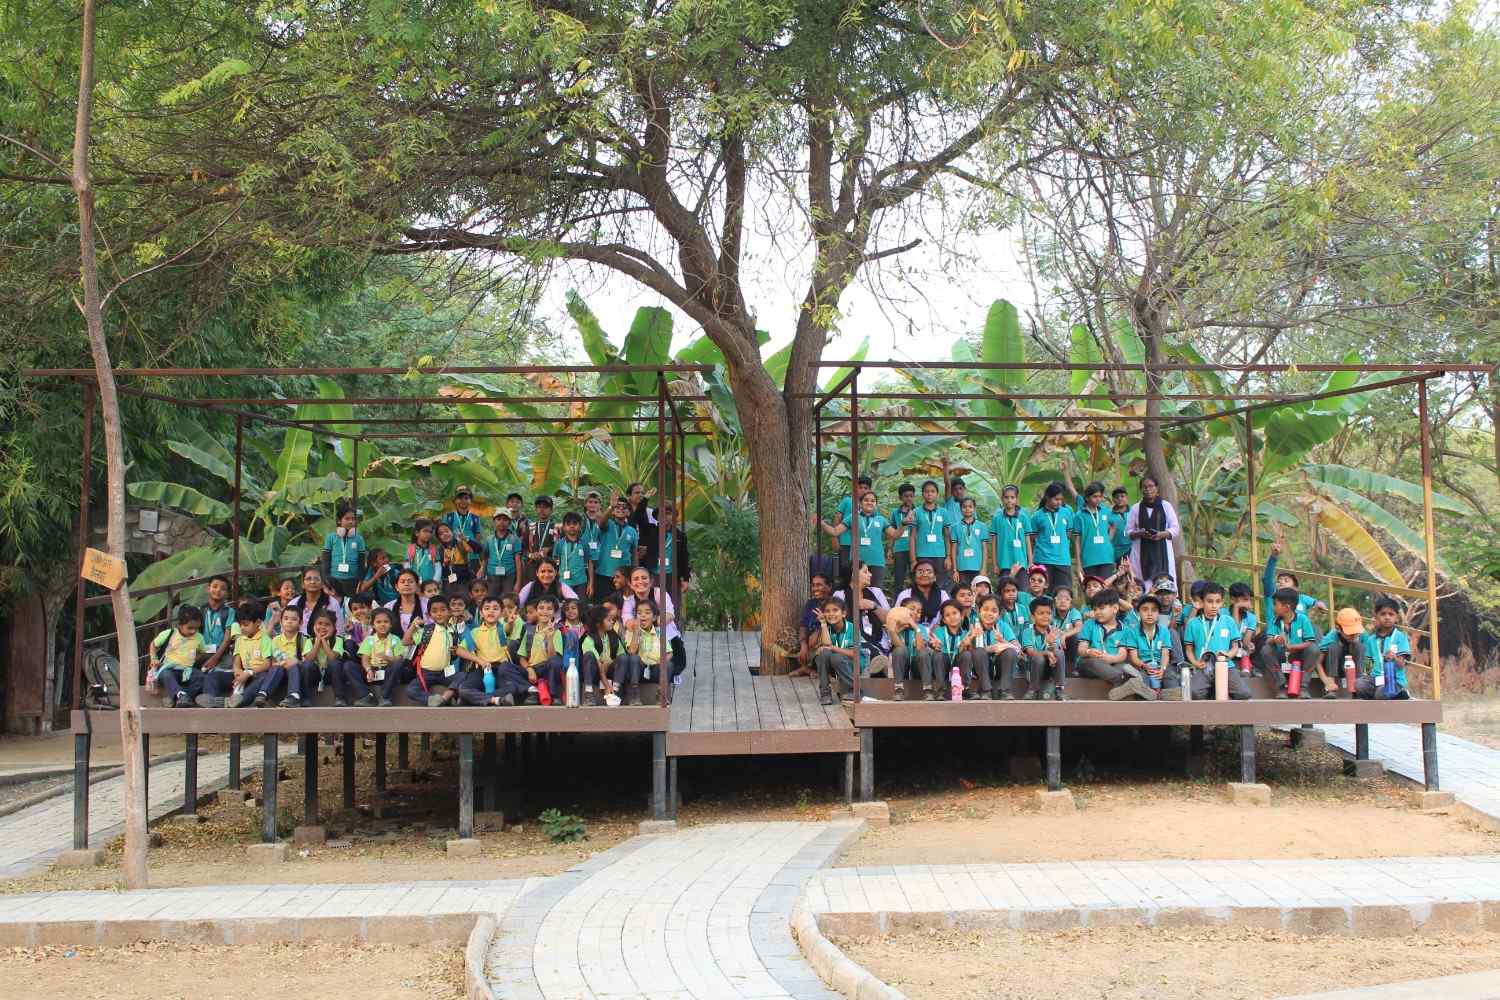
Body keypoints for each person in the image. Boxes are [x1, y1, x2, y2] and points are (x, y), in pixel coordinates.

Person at [1077, 587, 1154, 701]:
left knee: (1124, 666)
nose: (1097, 612)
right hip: (1090, 664)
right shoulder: (1090, 624)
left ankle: (1123, 688)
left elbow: (1122, 655)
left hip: (1113, 664)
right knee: (1094, 663)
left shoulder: (1125, 629)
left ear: (1115, 608)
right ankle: (1126, 681)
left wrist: (1111, 658)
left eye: (1101, 608)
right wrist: (1089, 651)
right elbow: (1081, 649)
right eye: (1095, 609)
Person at [1182, 582, 1251, 700]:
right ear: (1202, 602)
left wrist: (1228, 655)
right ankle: (1213, 690)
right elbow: (1189, 649)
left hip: (1226, 666)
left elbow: (1235, 647)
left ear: (1222, 603)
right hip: (1203, 667)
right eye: (1209, 601)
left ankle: (1218, 688)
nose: (1214, 606)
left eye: (1218, 601)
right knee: (1194, 693)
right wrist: (1195, 662)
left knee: (1244, 693)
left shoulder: (1228, 621)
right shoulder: (1193, 623)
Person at [384, 599, 457, 707]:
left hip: (445, 673)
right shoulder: (426, 630)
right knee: (411, 690)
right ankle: (434, 700)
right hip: (426, 673)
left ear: (449, 612)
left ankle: (445, 696)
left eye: (443, 610)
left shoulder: (454, 629)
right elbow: (405, 641)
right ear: (429, 615)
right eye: (435, 611)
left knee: (463, 677)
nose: (439, 613)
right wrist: (413, 626)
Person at [621, 566, 687, 682]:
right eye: (636, 579)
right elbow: (628, 621)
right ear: (630, 584)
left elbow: (670, 614)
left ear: (651, 581)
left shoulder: (659, 594)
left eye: (644, 578)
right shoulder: (629, 601)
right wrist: (644, 622)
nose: (640, 581)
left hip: (664, 636)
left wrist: (650, 621)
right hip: (641, 638)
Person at [224, 602, 288, 708]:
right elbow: (236, 661)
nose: (242, 628)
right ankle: (211, 697)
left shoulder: (265, 639)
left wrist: (249, 673)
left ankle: (240, 701)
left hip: (257, 674)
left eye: (245, 624)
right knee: (214, 676)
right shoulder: (240, 639)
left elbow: (267, 664)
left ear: (258, 622)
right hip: (244, 674)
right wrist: (237, 671)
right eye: (240, 625)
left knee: (263, 678)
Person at [1260, 587, 1321, 699]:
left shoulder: (1303, 619)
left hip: (1298, 657)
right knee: (1266, 649)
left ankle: (1303, 687)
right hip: (1282, 656)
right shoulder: (1275, 620)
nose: (1274, 607)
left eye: (1276, 604)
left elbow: (1309, 641)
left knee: (1314, 649)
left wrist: (1293, 647)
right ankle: (1281, 686)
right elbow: (1269, 638)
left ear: (1287, 607)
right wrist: (1276, 639)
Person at [834, 564, 892, 676]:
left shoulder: (876, 592)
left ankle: (877, 664)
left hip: (878, 640)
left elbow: (889, 620)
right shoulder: (840, 594)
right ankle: (878, 664)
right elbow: (836, 621)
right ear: (853, 575)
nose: (870, 574)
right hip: (852, 641)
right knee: (862, 648)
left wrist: (873, 606)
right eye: (865, 572)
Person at [148, 604, 208, 707]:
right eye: (190, 628)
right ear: (180, 624)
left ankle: (179, 697)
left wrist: (197, 658)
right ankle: (182, 696)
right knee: (167, 675)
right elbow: (153, 644)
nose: (193, 631)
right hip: (169, 669)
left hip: (187, 670)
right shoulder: (170, 633)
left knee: (201, 678)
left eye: (196, 628)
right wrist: (154, 658)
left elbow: (203, 652)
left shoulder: (199, 638)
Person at [1126, 475, 1181, 587]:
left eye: (1151, 486)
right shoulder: (1135, 508)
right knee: (1142, 586)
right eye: (1145, 487)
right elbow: (1127, 532)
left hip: (1163, 552)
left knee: (1164, 584)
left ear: (1157, 488)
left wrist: (1162, 534)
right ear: (1141, 490)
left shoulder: (1166, 506)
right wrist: (1139, 533)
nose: (1148, 490)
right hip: (1141, 553)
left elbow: (1175, 529)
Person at [821, 475, 873, 590]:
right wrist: (835, 539)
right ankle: (843, 594)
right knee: (845, 570)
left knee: (861, 570)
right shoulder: (847, 501)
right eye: (860, 487)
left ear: (870, 490)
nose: (863, 490)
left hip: (862, 545)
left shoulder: (870, 505)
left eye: (866, 488)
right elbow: (837, 518)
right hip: (846, 543)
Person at [580, 603, 637, 706]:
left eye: (612, 619)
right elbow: (601, 669)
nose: (612, 622)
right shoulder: (588, 639)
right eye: (608, 620)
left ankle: (615, 690)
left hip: (610, 671)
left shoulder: (613, 636)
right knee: (588, 655)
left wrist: (609, 662)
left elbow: (621, 657)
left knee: (624, 658)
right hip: (596, 672)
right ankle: (588, 693)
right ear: (598, 623)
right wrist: (607, 686)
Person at [1358, 597, 1412, 699]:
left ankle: (1399, 692)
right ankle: (1392, 695)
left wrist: (1394, 658)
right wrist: (1366, 677)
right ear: (1376, 616)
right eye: (1383, 614)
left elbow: (1401, 665)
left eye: (1391, 614)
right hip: (1376, 680)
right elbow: (1368, 667)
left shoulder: (1400, 637)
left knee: (1382, 692)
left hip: (1394, 680)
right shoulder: (1371, 640)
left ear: (1396, 618)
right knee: (1359, 685)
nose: (1387, 617)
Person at [1261, 539, 1326, 623]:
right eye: (1279, 580)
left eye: (1286, 580)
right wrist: (1274, 556)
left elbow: (1316, 602)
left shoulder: (1302, 598)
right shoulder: (1272, 595)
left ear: (1295, 588)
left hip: (1299, 634)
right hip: (1275, 634)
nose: (1281, 582)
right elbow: (1268, 579)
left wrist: (1320, 604)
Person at [813, 596, 864, 705]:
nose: (831, 614)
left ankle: (855, 690)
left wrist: (833, 648)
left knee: (835, 656)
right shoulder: (827, 628)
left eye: (835, 610)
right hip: (836, 663)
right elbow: (826, 645)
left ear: (844, 614)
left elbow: (854, 654)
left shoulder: (852, 628)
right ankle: (825, 693)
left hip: (854, 665)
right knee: (823, 654)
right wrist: (823, 623)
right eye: (827, 611)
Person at [640, 501, 691, 603]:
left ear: (673, 516)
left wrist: (685, 579)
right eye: (661, 514)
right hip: (653, 575)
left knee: (673, 605)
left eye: (668, 513)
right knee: (652, 605)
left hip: (672, 576)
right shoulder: (650, 531)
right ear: (657, 517)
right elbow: (638, 516)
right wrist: (644, 499)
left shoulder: (680, 535)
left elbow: (684, 558)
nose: (665, 517)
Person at [1125, 594, 1175, 695]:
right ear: (1138, 612)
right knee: (1144, 684)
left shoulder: (1164, 631)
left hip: (1160, 665)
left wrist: (1162, 668)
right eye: (1145, 609)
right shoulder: (1132, 631)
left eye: (1154, 610)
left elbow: (1165, 654)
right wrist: (1144, 666)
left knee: (1172, 684)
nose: (1149, 613)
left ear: (1158, 614)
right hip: (1141, 666)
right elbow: (1134, 658)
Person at [973, 594, 1021, 700]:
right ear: (978, 611)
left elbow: (1018, 648)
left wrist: (1002, 641)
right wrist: (991, 648)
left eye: (994, 611)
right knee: (978, 652)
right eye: (985, 609)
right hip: (982, 668)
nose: (989, 613)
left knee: (1010, 652)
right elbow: (968, 651)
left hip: (1000, 667)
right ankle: (986, 690)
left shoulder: (1003, 626)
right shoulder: (974, 626)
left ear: (999, 614)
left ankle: (1005, 690)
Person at [885, 598, 934, 701]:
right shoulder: (895, 627)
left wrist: (916, 628)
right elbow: (899, 646)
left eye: (919, 611)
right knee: (899, 650)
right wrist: (893, 632)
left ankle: (927, 690)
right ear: (902, 611)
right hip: (903, 667)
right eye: (912, 609)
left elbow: (920, 647)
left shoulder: (922, 628)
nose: (916, 613)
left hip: (918, 667)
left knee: (923, 653)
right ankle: (899, 689)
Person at [518, 596, 566, 703]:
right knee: (505, 668)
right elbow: (522, 658)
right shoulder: (529, 631)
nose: (545, 611)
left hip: (546, 668)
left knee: (555, 661)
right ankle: (533, 691)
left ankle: (553, 694)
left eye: (549, 609)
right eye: (541, 608)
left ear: (554, 613)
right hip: (532, 669)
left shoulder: (556, 631)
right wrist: (529, 669)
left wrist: (549, 638)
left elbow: (553, 657)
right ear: (536, 611)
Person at [929, 599, 980, 700]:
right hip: (943, 662)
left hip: (957, 663)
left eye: (955, 613)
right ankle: (940, 690)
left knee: (966, 655)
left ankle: (965, 688)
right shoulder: (939, 631)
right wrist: (936, 645)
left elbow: (962, 652)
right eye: (947, 615)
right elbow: (938, 648)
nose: (952, 617)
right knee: (937, 655)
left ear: (961, 615)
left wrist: (967, 642)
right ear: (943, 620)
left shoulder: (965, 633)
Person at [1017, 594, 1065, 700]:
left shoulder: (1053, 631)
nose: (1045, 616)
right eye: (1041, 613)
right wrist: (1047, 653)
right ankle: (1033, 689)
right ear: (1033, 617)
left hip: (1051, 667)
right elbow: (1030, 652)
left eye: (1048, 613)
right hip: (1034, 668)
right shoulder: (1027, 632)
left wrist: (1052, 645)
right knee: (1038, 657)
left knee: (1059, 653)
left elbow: (1056, 653)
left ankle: (1059, 688)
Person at [1316, 607, 1371, 698]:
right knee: (1334, 647)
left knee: (1359, 647)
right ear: (1338, 628)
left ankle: (1358, 686)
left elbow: (1370, 658)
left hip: (1352, 669)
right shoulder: (1331, 637)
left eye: (1356, 632)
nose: (1354, 635)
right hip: (1333, 668)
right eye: (1350, 633)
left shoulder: (1363, 636)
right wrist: (1326, 681)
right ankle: (1330, 689)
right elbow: (1317, 662)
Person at [1030, 483, 1075, 593]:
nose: (1059, 502)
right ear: (1047, 498)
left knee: (1064, 592)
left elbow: (1069, 534)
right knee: (1044, 593)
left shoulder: (1066, 512)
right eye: (1056, 499)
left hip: (1062, 560)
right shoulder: (1037, 516)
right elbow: (1033, 538)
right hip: (1043, 560)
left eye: (1061, 499)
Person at [1073, 482, 1118, 584]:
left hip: (1106, 557)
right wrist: (1079, 564)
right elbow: (1077, 541)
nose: (1098, 499)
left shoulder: (1105, 511)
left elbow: (1113, 525)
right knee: (1091, 589)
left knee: (1105, 587)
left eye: (1100, 496)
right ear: (1087, 498)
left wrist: (1108, 539)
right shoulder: (1079, 516)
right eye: (1095, 496)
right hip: (1089, 559)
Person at [909, 481, 952, 588]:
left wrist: (948, 556)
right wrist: (913, 560)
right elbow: (912, 537)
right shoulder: (915, 512)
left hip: (940, 555)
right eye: (927, 491)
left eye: (932, 491)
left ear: (937, 494)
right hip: (922, 555)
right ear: (923, 494)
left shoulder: (943, 512)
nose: (929, 494)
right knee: (922, 584)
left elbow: (947, 536)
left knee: (940, 585)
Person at [321, 505, 367, 600]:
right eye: (347, 518)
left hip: (353, 581)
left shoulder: (359, 539)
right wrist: (327, 581)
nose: (351, 521)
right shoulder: (331, 538)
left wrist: (360, 581)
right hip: (334, 580)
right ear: (339, 521)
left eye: (353, 519)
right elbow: (326, 561)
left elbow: (361, 563)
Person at [988, 484, 1032, 582]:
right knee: (1005, 592)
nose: (1009, 500)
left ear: (1016, 499)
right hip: (1004, 563)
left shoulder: (1023, 517)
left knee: (1022, 591)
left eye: (1012, 497)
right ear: (1002, 499)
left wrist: (1030, 562)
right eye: (1006, 497)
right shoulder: (997, 518)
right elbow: (994, 542)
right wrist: (995, 564)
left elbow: (1027, 541)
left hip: (1021, 563)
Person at [594, 495, 641, 585]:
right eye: (617, 507)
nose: (621, 509)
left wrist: (635, 572)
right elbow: (601, 523)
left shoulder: (632, 531)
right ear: (613, 512)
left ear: (629, 513)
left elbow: (634, 554)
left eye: (625, 507)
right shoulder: (608, 524)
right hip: (604, 572)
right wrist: (611, 506)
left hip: (624, 575)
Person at [793, 574, 834, 676]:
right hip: (809, 642)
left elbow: (835, 626)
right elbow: (803, 626)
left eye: (819, 585)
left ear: (829, 587)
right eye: (813, 585)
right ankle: (806, 668)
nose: (815, 588)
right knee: (785, 636)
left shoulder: (834, 604)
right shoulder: (811, 603)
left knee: (819, 644)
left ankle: (808, 668)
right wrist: (803, 645)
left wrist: (817, 633)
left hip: (826, 641)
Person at [621, 600, 661, 706]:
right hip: (639, 670)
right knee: (634, 658)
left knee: (668, 664)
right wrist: (636, 632)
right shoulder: (631, 632)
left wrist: (662, 660)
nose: (643, 616)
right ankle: (634, 694)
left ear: (654, 617)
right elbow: (632, 651)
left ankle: (661, 694)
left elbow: (669, 652)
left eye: (647, 613)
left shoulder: (659, 632)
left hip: (654, 669)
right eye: (639, 613)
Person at [515, 559, 581, 623]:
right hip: (534, 625)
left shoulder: (561, 586)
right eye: (543, 571)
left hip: (556, 625)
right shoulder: (530, 586)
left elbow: (575, 601)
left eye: (550, 571)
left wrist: (562, 607)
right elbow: (517, 604)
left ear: (555, 572)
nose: (546, 575)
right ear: (537, 573)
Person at [893, 559, 948, 628]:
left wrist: (938, 627)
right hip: (910, 633)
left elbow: (948, 615)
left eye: (929, 572)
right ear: (914, 577)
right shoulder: (905, 594)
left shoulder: (943, 594)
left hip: (937, 635)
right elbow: (895, 618)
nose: (924, 574)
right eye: (920, 572)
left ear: (935, 577)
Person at [442, 486, 485, 576]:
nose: (463, 501)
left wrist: (479, 553)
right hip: (455, 555)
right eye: (460, 498)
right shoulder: (449, 517)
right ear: (455, 500)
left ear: (470, 501)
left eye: (466, 498)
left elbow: (477, 536)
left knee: (474, 581)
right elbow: (443, 535)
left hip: (472, 555)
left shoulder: (475, 517)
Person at [552, 511, 595, 598]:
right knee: (565, 607)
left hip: (581, 582)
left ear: (580, 526)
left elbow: (590, 562)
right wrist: (556, 582)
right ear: (564, 527)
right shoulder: (559, 544)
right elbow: (554, 562)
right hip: (563, 582)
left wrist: (591, 584)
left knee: (580, 607)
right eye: (568, 523)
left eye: (575, 523)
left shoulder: (584, 543)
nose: (572, 526)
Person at [948, 496, 988, 588]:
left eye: (970, 506)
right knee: (964, 590)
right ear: (960, 509)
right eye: (964, 507)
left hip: (978, 567)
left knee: (978, 591)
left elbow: (984, 548)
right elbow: (953, 549)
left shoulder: (982, 526)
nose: (967, 509)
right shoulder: (955, 527)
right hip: (962, 566)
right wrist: (955, 570)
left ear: (974, 508)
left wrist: (984, 568)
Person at [199, 576, 236, 671]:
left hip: (221, 651)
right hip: (204, 649)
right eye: (215, 586)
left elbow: (227, 639)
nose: (218, 590)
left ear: (227, 593)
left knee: (230, 662)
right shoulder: (202, 610)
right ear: (208, 589)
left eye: (223, 589)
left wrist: (215, 659)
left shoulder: (229, 611)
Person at [484, 510, 524, 595]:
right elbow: (486, 558)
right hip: (492, 575)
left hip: (509, 576)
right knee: (492, 599)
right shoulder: (489, 539)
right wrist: (482, 571)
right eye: (498, 519)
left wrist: (518, 582)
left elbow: (518, 561)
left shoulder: (514, 539)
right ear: (494, 521)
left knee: (507, 600)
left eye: (505, 520)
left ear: (509, 522)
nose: (501, 522)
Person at [888, 482, 918, 593]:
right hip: (899, 549)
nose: (909, 498)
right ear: (900, 497)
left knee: (915, 577)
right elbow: (892, 532)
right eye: (906, 496)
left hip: (914, 550)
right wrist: (890, 549)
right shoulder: (895, 513)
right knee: (899, 578)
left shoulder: (918, 511)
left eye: (911, 496)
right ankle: (897, 603)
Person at [525, 494, 558, 585]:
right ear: (536, 509)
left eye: (545, 507)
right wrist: (531, 555)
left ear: (551, 510)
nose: (542, 509)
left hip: (550, 565)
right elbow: (523, 548)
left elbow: (559, 546)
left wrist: (550, 549)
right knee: (533, 589)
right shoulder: (530, 527)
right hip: (533, 565)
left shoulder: (556, 527)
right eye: (539, 507)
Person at [383, 568, 428, 634]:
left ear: (417, 585)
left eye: (410, 581)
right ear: (397, 587)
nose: (406, 584)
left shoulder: (427, 604)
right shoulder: (388, 607)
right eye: (402, 582)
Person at [405, 519, 443, 586]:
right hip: (414, 585)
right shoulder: (410, 549)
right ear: (417, 533)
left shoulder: (433, 549)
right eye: (425, 531)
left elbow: (438, 568)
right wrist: (411, 582)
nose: (428, 534)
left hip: (430, 586)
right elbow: (407, 567)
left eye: (430, 532)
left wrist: (434, 582)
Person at [436, 522, 472, 586]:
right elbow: (440, 572)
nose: (445, 534)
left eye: (447, 531)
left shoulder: (460, 542)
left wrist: (464, 540)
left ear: (452, 532)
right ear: (439, 538)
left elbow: (477, 549)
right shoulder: (439, 550)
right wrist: (445, 564)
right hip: (449, 582)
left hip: (465, 579)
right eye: (441, 534)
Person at [1108, 486, 1133, 567]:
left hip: (1133, 549)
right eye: (1117, 497)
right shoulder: (1108, 515)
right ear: (1113, 499)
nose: (1120, 499)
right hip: (1117, 552)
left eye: (1122, 496)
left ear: (1127, 497)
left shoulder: (1133, 512)